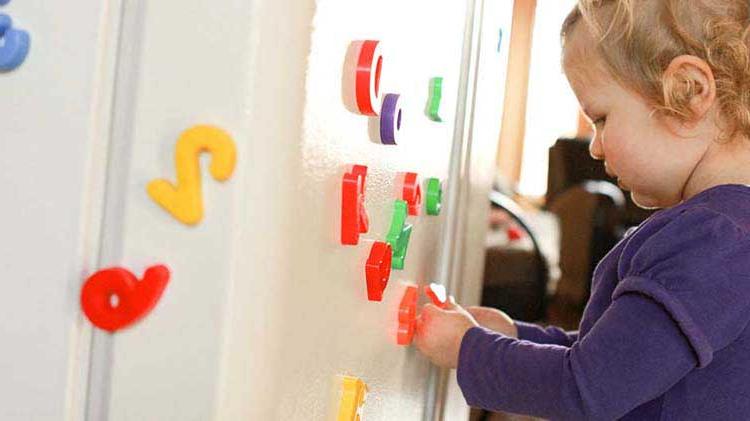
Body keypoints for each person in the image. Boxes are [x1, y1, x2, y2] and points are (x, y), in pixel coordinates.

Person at [414, 1, 750, 419]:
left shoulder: (711, 239)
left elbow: (586, 389)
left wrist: (468, 350)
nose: (594, 146)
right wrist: (512, 336)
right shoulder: (726, 234)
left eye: (602, 118)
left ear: (688, 91)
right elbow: (619, 362)